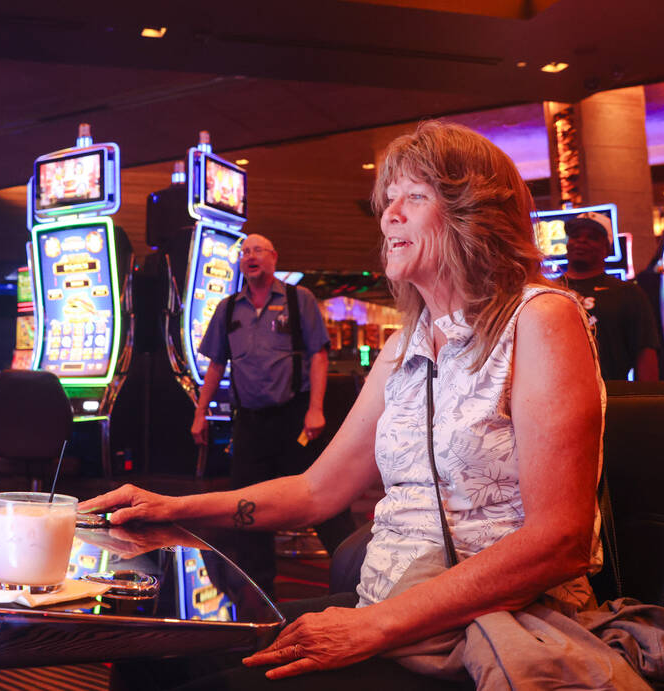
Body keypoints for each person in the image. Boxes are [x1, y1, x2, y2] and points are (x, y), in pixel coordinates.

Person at [85, 121, 610, 689]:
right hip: (383, 607)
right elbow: (316, 492)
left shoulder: (540, 318)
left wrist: (375, 627)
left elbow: (560, 541)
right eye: (387, 201)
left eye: (414, 197)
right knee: (148, 656)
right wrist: (172, 507)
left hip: (484, 626)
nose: (389, 215)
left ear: (474, 212)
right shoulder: (403, 345)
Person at [189, 233, 337, 597]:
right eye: (245, 252)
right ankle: (260, 589)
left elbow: (319, 355)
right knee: (248, 506)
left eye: (258, 251)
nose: (251, 257)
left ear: (273, 258)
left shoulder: (297, 299)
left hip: (294, 418)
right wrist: (200, 412)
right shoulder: (227, 309)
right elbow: (215, 365)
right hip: (250, 422)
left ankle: (353, 570)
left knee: (318, 498)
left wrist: (316, 408)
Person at [557, 211, 659, 381]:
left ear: (607, 249)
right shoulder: (547, 289)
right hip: (552, 397)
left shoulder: (627, 293)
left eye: (592, 237)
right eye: (575, 236)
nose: (581, 240)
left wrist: (649, 402)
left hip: (612, 396)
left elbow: (645, 351)